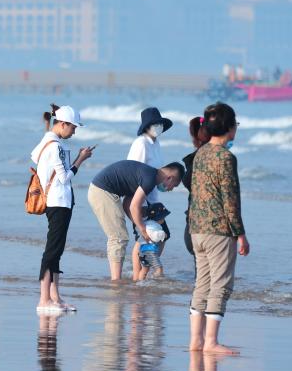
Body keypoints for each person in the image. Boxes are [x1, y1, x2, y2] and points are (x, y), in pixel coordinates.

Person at [188, 102, 250, 355]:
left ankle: (196, 341)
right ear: (229, 127)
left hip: (196, 229)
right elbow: (230, 198)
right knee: (221, 284)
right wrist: (241, 233)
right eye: (235, 124)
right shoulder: (226, 157)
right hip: (218, 230)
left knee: (202, 283)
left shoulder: (201, 153)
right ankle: (211, 342)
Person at [30, 105, 94, 313]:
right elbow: (65, 177)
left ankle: (55, 297)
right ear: (62, 124)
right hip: (58, 201)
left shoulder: (47, 142)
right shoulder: (55, 146)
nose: (74, 131)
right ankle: (43, 299)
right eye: (73, 127)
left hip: (57, 201)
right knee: (52, 251)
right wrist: (80, 160)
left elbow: (35, 158)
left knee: (56, 251)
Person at [87, 159, 185, 281]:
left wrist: (140, 224)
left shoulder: (149, 176)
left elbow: (128, 202)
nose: (171, 189)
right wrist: (143, 229)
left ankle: (119, 278)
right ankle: (116, 281)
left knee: (120, 236)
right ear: (169, 178)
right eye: (174, 185)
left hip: (104, 190)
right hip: (102, 191)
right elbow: (134, 206)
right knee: (118, 237)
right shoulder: (149, 179)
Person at [127, 107, 173, 279]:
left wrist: (164, 185)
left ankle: (143, 273)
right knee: (145, 237)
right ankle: (139, 275)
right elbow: (132, 171)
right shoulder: (141, 143)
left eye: (160, 124)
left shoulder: (156, 144)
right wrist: (137, 203)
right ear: (146, 126)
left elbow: (157, 172)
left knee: (162, 235)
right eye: (154, 124)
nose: (158, 127)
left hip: (153, 198)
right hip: (139, 200)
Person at [181, 116, 211, 259]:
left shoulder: (194, 160)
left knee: (201, 277)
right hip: (207, 230)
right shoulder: (214, 159)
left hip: (192, 227)